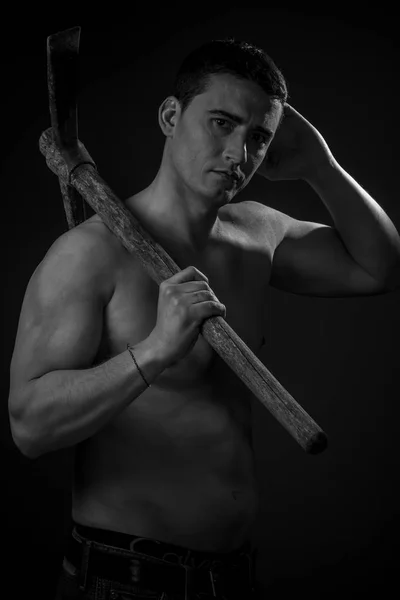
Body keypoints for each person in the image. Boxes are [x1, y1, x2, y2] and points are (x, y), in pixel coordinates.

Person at [8, 37, 400, 600]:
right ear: (172, 116)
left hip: (231, 581)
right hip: (124, 582)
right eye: (221, 123)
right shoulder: (86, 256)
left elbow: (379, 268)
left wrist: (320, 164)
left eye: (258, 136)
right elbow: (28, 426)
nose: (239, 154)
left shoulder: (255, 235)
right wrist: (155, 352)